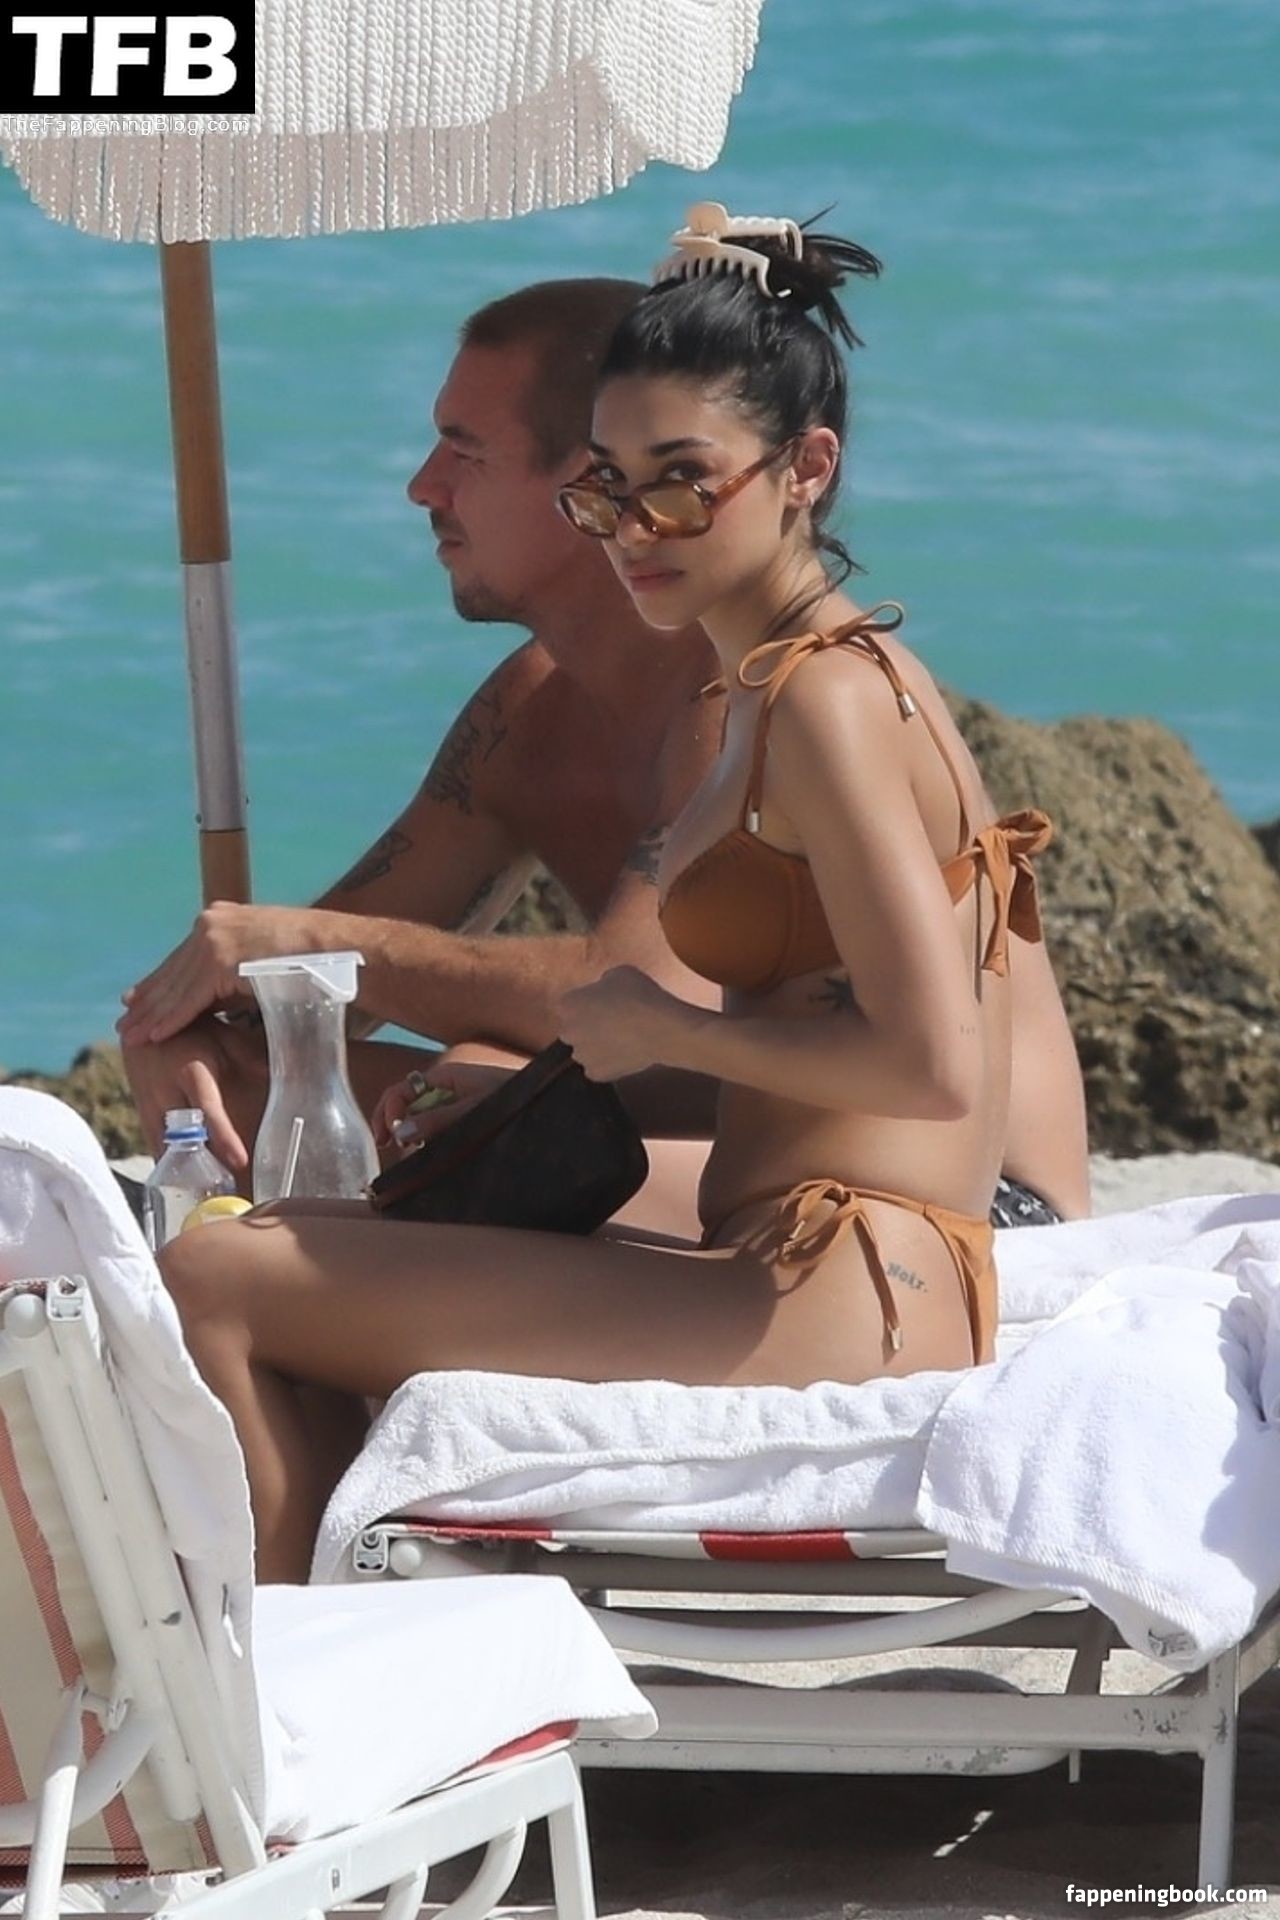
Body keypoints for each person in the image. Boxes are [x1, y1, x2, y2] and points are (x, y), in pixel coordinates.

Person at [161, 204, 1080, 1584]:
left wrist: (661, 1029)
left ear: (805, 469)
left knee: (216, 1278)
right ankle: (329, 1628)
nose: (635, 530)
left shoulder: (824, 702)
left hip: (849, 1291)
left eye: (682, 484)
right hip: (803, 1264)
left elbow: (934, 1065)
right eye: (606, 488)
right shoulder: (791, 680)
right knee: (289, 1243)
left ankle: (287, 1669)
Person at [121, 271, 1088, 1233]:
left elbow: (636, 999)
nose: (423, 486)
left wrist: (299, 947)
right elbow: (306, 982)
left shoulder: (764, 697)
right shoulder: (531, 712)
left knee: (468, 1135)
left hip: (964, 1193)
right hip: (755, 1136)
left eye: (465, 452)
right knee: (256, 1091)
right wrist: (185, 1025)